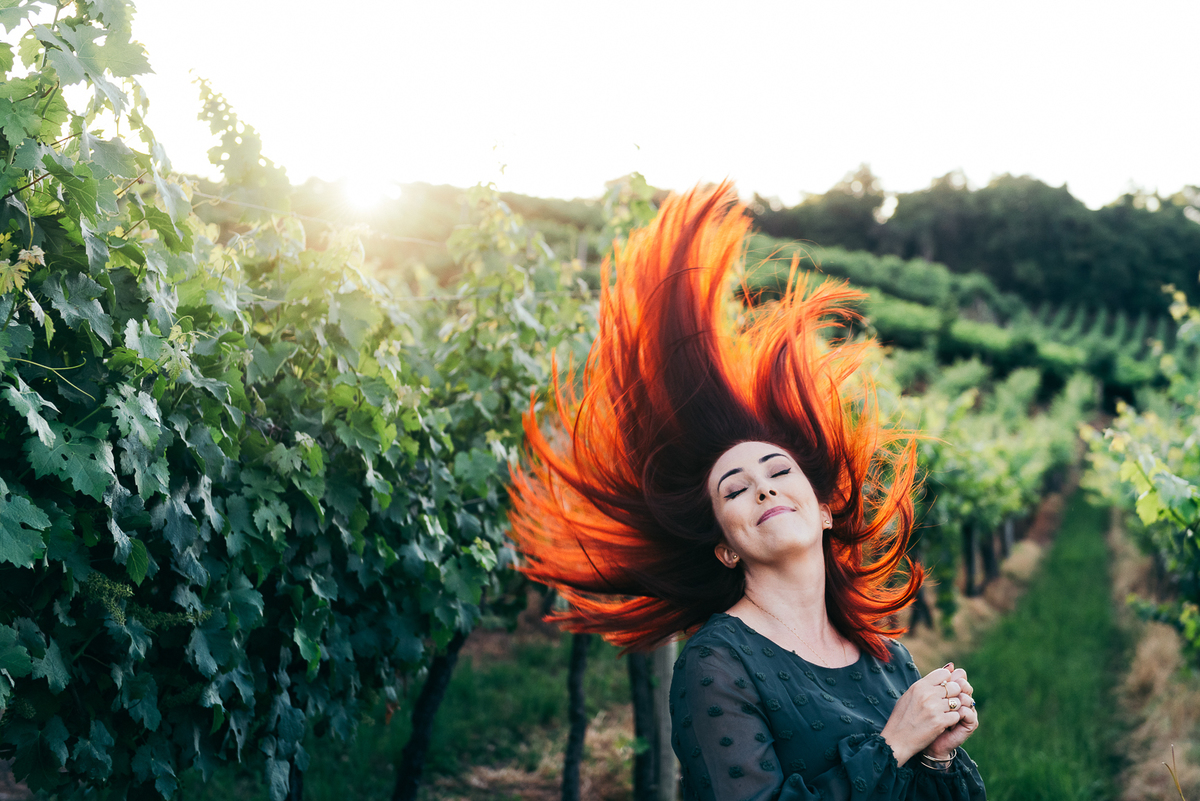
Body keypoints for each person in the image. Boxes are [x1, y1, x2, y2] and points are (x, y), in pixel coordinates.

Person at [508, 184, 985, 799]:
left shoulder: (887, 659)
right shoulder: (716, 664)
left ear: (824, 508)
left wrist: (938, 758)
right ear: (725, 548)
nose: (762, 488)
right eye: (735, 489)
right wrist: (894, 746)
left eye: (779, 472)